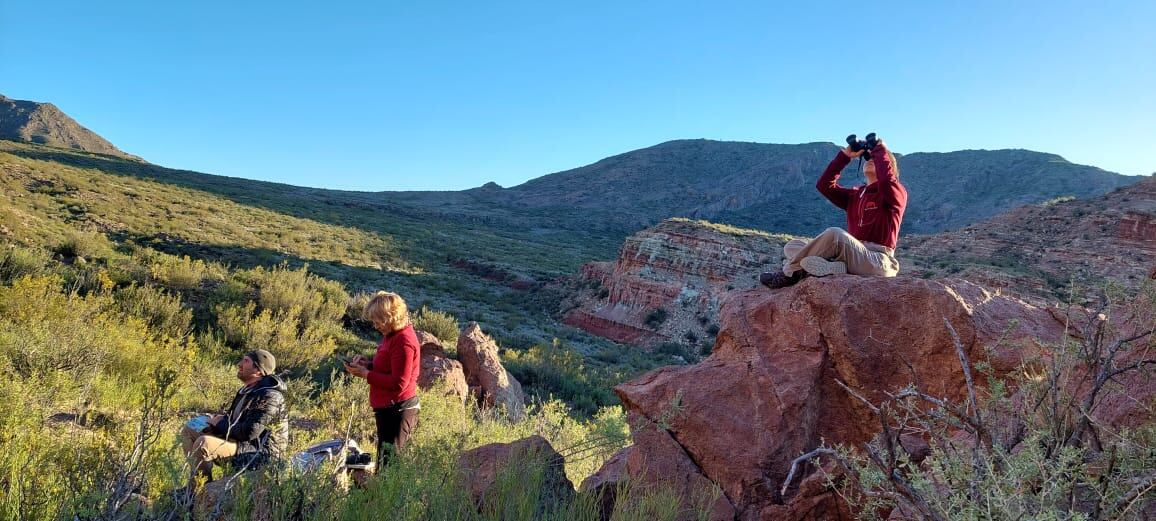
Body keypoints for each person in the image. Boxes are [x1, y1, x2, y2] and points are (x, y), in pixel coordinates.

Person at [760, 138, 907, 289]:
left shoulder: (896, 193)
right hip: (850, 255)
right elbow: (824, 185)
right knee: (792, 246)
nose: (870, 160)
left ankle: (789, 273)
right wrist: (845, 156)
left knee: (834, 234)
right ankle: (834, 267)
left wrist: (880, 149)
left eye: (876, 158)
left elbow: (887, 181)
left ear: (888, 166)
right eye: (868, 157)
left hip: (878, 260)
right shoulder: (856, 195)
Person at [180, 349, 289, 490]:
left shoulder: (270, 396)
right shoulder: (247, 390)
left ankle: (201, 490)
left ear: (258, 370)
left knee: (204, 444)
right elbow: (234, 422)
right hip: (242, 443)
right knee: (190, 429)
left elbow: (249, 433)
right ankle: (200, 484)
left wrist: (219, 423)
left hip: (260, 453)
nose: (239, 364)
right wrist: (215, 423)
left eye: (246, 361)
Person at [343, 291, 421, 470]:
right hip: (388, 409)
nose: (375, 325)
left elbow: (398, 383)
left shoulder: (404, 341)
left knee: (389, 467)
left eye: (378, 321)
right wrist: (368, 365)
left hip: (398, 410)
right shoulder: (392, 335)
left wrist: (365, 374)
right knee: (385, 462)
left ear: (391, 317)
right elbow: (388, 367)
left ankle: (384, 498)